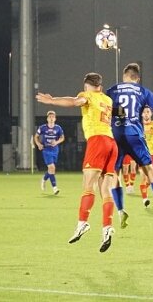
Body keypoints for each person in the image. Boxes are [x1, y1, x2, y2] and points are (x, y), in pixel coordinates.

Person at [35, 72, 118, 253]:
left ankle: (83, 223)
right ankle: (107, 227)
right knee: (106, 189)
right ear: (100, 87)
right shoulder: (108, 100)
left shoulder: (86, 95)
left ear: (86, 86)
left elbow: (74, 101)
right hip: (112, 143)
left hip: (97, 141)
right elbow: (120, 114)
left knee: (88, 186)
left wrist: (52, 101)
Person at [107, 62, 153, 227]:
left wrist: (117, 115)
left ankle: (121, 210)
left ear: (124, 76)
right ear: (137, 78)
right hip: (135, 135)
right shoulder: (143, 91)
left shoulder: (113, 90)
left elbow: (105, 110)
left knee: (115, 172)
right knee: (149, 170)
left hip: (117, 135)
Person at [34, 110, 64, 195]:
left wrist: (56, 142)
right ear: (47, 119)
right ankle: (55, 188)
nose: (51, 118)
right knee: (52, 167)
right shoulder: (42, 127)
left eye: (52, 117)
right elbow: (36, 137)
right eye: (49, 117)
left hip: (55, 150)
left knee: (51, 169)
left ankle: (44, 179)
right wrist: (39, 144)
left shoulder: (58, 128)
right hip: (46, 150)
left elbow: (62, 138)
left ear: (55, 119)